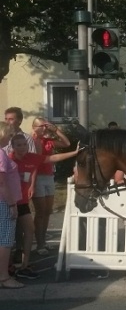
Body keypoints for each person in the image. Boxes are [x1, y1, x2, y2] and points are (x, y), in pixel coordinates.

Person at [9, 133, 79, 279]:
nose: (22, 148)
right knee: (8, 236)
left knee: (29, 230)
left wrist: (75, 152)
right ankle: (7, 266)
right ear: (13, 147)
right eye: (18, 145)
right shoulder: (8, 159)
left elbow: (52, 158)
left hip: (22, 202)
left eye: (24, 144)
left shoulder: (32, 157)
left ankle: (24, 265)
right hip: (8, 203)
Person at [30, 117, 71, 254]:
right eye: (42, 126)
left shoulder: (49, 141)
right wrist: (38, 134)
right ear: (35, 127)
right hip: (37, 177)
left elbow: (66, 143)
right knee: (40, 212)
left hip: (49, 176)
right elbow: (37, 155)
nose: (45, 128)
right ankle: (39, 243)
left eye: (46, 126)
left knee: (48, 211)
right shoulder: (32, 140)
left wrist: (56, 130)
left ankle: (43, 242)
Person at [0, 122, 23, 289]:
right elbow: (2, 182)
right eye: (8, 135)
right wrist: (11, 204)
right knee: (5, 240)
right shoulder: (1, 154)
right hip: (4, 201)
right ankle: (4, 277)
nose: (10, 139)